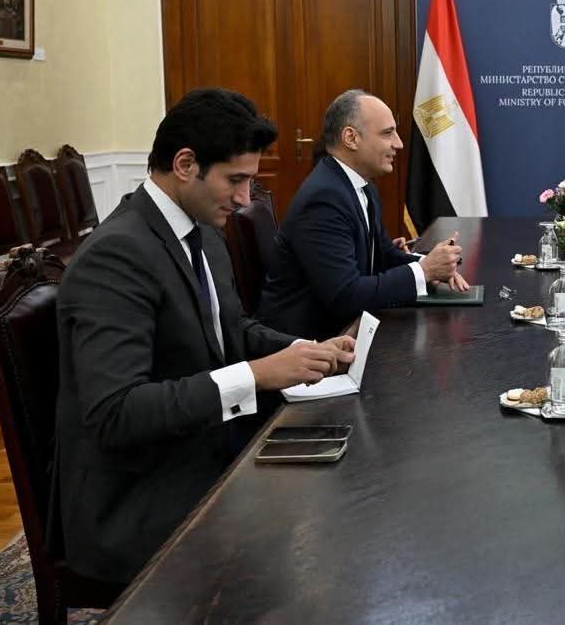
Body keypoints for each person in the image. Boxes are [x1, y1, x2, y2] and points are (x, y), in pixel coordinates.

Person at [55, 88, 356, 585]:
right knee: (325, 535)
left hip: (204, 449)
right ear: (185, 164)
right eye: (235, 180)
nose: (244, 199)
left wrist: (299, 351)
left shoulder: (204, 234)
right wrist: (254, 376)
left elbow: (229, 328)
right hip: (142, 497)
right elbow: (116, 412)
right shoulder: (116, 256)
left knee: (350, 483)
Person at [257, 90, 465, 339]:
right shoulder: (324, 198)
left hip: (346, 328)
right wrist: (424, 272)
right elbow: (344, 295)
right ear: (351, 138)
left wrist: (430, 263)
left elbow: (382, 254)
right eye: (387, 133)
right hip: (309, 342)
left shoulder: (359, 185)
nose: (398, 143)